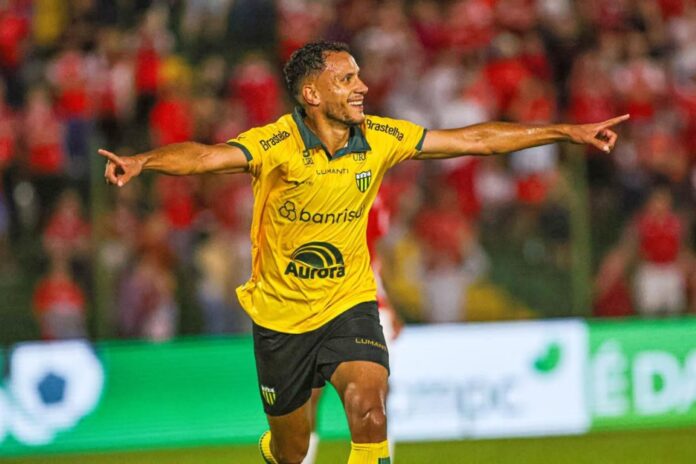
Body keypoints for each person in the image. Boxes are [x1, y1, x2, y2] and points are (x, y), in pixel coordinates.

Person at [100, 41, 628, 464]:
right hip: (281, 316)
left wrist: (564, 132)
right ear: (312, 93)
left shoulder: (379, 137)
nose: (363, 87)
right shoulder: (277, 145)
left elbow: (476, 140)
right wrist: (143, 161)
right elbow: (205, 157)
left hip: (349, 301)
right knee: (292, 450)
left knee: (371, 412)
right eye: (347, 79)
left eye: (359, 76)